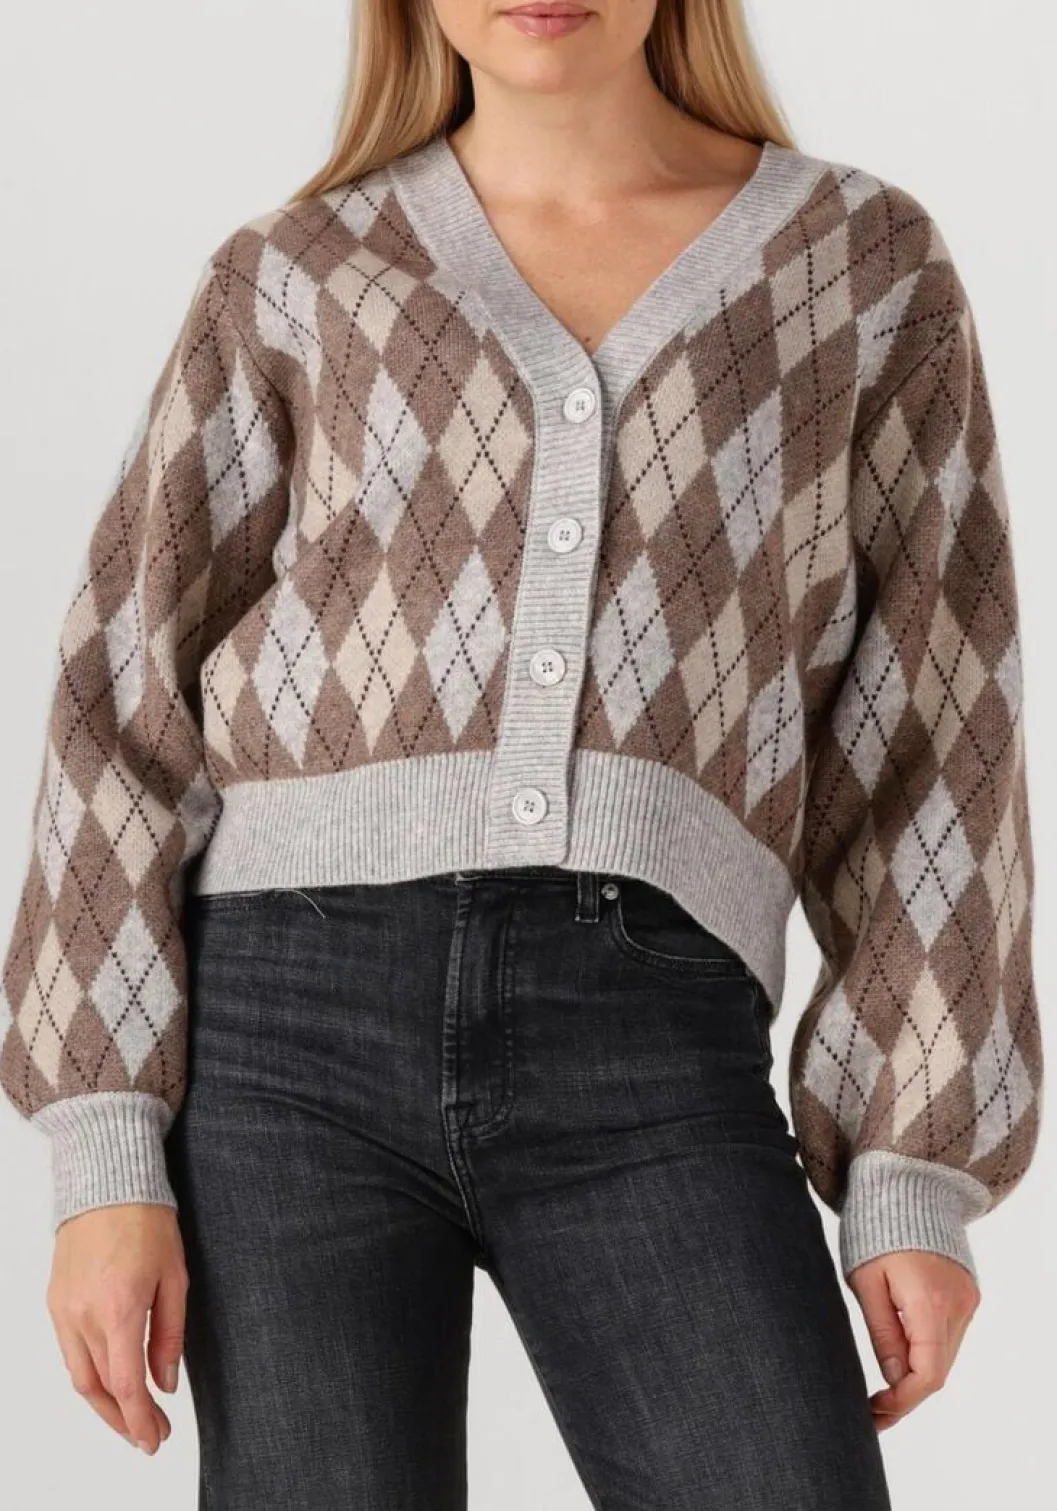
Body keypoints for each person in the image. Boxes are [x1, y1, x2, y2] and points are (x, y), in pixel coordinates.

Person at [0, 1, 1041, 1506]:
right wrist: (103, 1155)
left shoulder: (860, 269)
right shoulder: (296, 274)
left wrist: (910, 1174)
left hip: (652, 1033)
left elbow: (937, 727)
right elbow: (122, 693)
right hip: (280, 1040)